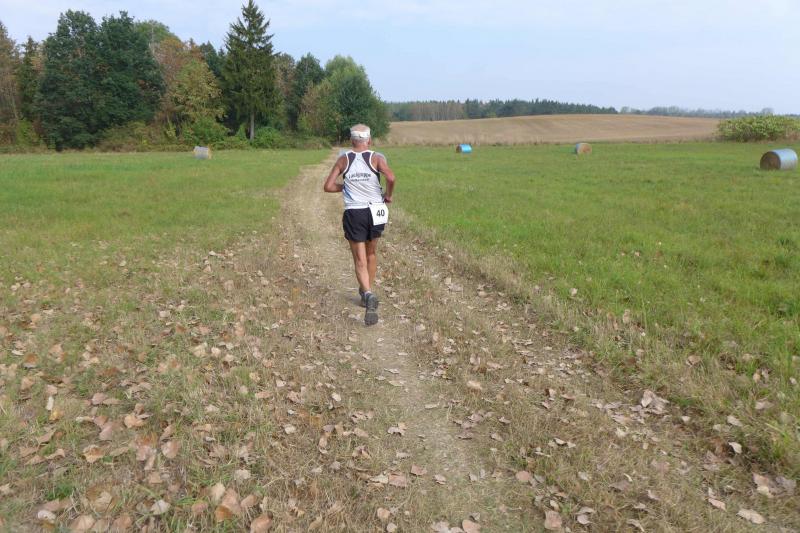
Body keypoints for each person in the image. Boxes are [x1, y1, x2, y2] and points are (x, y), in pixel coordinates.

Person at [323, 124, 396, 326]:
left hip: (355, 212)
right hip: (376, 211)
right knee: (371, 253)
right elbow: (391, 177)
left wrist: (346, 186)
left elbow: (328, 186)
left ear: (351, 140)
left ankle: (368, 293)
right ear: (369, 140)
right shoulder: (377, 158)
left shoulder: (343, 159)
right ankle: (366, 293)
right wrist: (388, 195)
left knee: (359, 259)